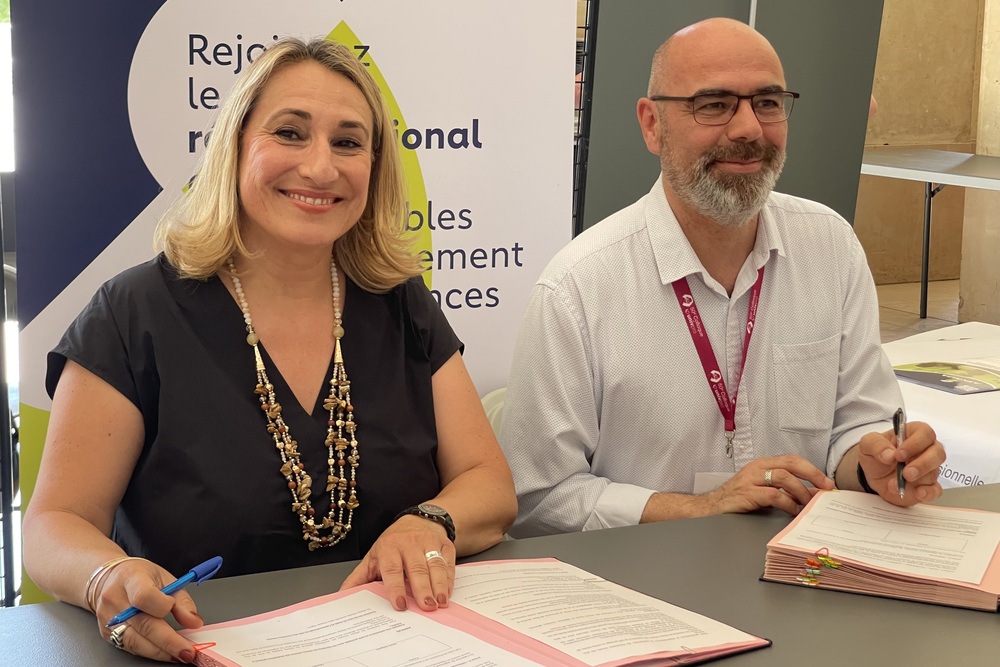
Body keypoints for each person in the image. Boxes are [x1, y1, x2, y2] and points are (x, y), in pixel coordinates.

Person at [23, 37, 516, 663]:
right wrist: (104, 580)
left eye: (348, 141)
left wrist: (432, 520)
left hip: (400, 644)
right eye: (289, 133)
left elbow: (489, 484)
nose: (320, 167)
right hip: (201, 647)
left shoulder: (401, 303)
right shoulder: (134, 313)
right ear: (234, 150)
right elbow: (53, 525)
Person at [499, 18, 945, 538]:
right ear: (651, 124)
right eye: (713, 105)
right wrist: (698, 508)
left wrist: (873, 465)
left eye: (768, 103)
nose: (748, 129)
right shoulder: (579, 289)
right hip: (643, 586)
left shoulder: (831, 248)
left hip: (800, 573)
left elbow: (858, 423)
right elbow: (536, 498)